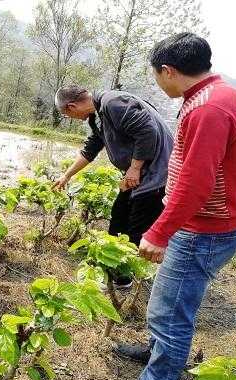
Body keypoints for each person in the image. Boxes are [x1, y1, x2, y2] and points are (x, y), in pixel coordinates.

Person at [103, 33, 236, 380]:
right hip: (205, 224)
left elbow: (196, 179)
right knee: (166, 303)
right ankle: (157, 354)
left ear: (168, 71)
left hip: (203, 229)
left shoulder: (208, 108)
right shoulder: (215, 96)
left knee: (171, 313)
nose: (157, 82)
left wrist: (160, 231)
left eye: (157, 75)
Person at [53, 83, 174, 288]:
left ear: (71, 107)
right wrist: (66, 176)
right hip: (138, 174)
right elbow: (90, 149)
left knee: (136, 227)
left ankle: (125, 278)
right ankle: (115, 271)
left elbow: (148, 132)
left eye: (66, 114)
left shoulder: (113, 103)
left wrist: (134, 168)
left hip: (156, 174)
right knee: (119, 216)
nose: (69, 118)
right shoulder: (97, 116)